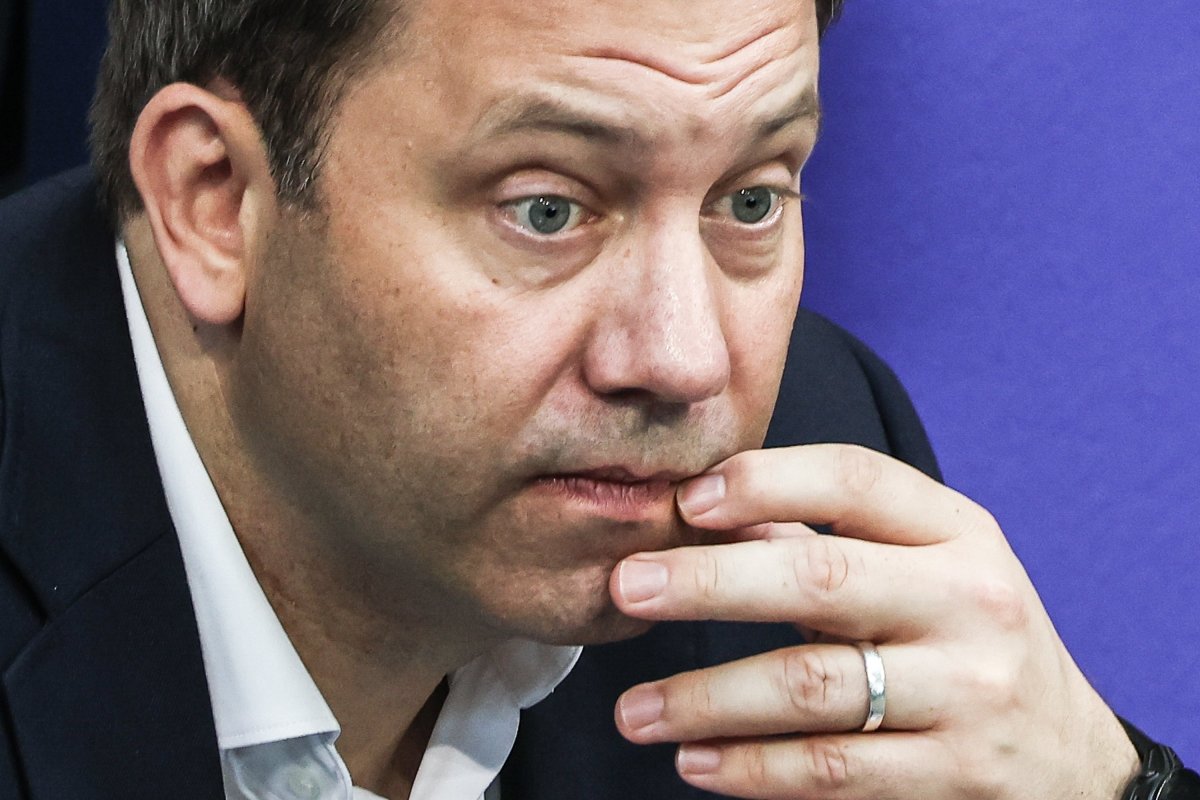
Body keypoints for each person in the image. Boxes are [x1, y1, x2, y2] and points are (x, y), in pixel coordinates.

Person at [0, 1, 1194, 799]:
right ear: (215, 199)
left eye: (751, 198)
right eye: (548, 208)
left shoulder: (813, 514)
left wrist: (1108, 785)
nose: (683, 361)